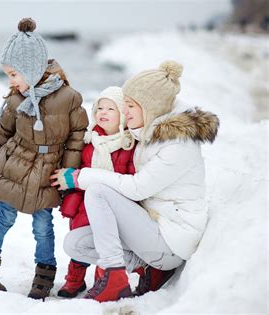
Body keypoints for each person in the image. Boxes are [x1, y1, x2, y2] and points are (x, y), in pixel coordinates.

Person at [51, 61, 219, 302]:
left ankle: (114, 277)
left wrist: (81, 177)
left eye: (130, 105)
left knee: (97, 191)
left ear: (149, 106)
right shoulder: (149, 132)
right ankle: (149, 268)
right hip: (152, 228)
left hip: (171, 240)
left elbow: (137, 188)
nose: (125, 111)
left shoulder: (178, 144)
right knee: (76, 243)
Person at [0, 17, 89, 300]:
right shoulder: (16, 99)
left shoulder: (69, 98)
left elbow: (76, 135)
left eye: (14, 74)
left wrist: (69, 171)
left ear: (32, 69)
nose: (11, 81)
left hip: (48, 171)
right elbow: (3, 131)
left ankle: (44, 276)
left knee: (42, 225)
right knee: (4, 216)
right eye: (8, 74)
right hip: (15, 165)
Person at [56, 86, 136, 298]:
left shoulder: (128, 144)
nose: (103, 112)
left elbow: (131, 176)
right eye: (99, 108)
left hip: (113, 202)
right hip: (84, 201)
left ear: (121, 115)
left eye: (110, 108)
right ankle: (74, 278)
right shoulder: (89, 140)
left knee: (105, 240)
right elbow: (79, 167)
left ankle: (104, 277)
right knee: (80, 235)